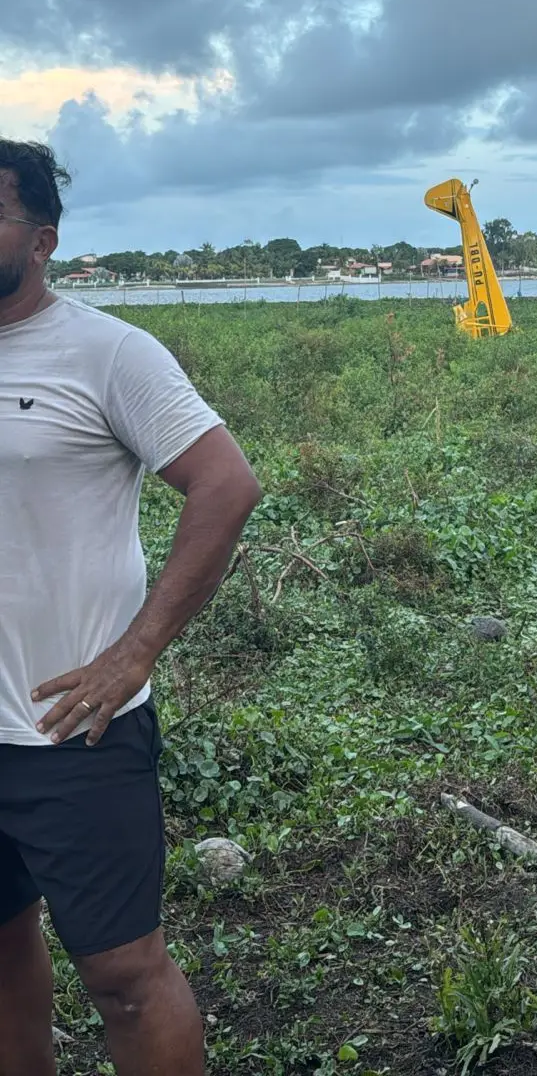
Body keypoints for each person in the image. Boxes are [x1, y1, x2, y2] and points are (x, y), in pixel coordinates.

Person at [0, 140, 262, 1076]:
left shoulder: (108, 352)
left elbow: (226, 486)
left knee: (122, 975)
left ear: (42, 240)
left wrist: (136, 650)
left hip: (70, 726)